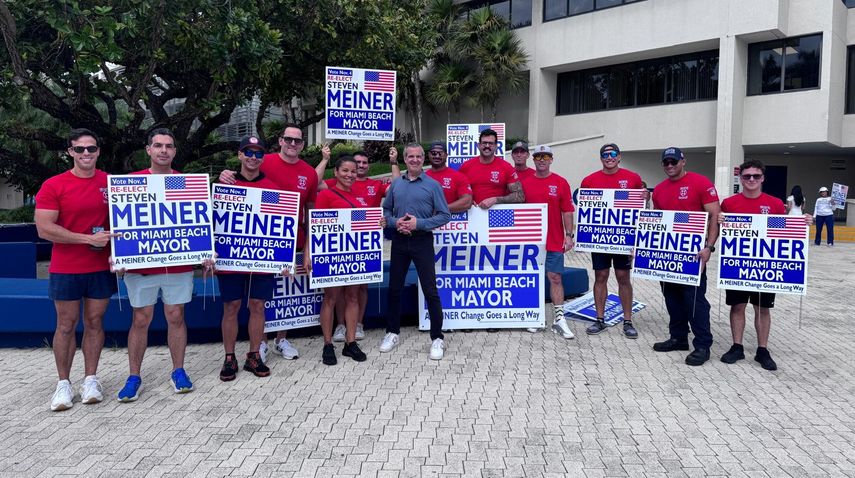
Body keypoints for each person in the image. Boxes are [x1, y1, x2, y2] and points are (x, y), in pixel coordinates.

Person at [220, 123, 319, 361]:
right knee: (248, 304)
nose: (293, 144)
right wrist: (224, 174)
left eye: (298, 140)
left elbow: (311, 211)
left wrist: (308, 251)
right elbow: (242, 176)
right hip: (241, 248)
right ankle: (258, 345)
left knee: (281, 298)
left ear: (303, 144)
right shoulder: (264, 162)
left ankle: (280, 339)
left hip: (286, 242)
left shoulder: (309, 173)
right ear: (280, 141)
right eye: (289, 139)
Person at [35, 128, 115, 411]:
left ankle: (91, 379)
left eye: (91, 149)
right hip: (66, 267)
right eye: (79, 149)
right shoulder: (54, 185)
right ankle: (63, 384)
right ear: (69, 152)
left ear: (98, 152)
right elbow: (44, 228)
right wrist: (86, 239)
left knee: (95, 323)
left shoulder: (111, 183)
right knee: (66, 326)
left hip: (100, 267)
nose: (85, 154)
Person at [118, 128, 200, 401]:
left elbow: (198, 225)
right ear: (148, 150)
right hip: (142, 265)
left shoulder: (187, 183)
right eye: (158, 145)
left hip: (177, 265)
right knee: (141, 319)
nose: (163, 150)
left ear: (175, 151)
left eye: (168, 146)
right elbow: (118, 225)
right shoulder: (132, 183)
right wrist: (118, 255)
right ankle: (134, 376)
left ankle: (178, 370)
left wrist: (205, 253)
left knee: (176, 316)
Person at [718, 159, 811, 371]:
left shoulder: (776, 204)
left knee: (762, 308)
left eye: (756, 176)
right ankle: (737, 347)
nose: (752, 179)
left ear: (763, 178)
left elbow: (785, 231)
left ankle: (762, 350)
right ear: (740, 179)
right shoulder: (729, 204)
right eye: (747, 176)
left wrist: (804, 222)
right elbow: (724, 231)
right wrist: (721, 221)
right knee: (737, 306)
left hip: (764, 266)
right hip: (738, 265)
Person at [317, 149, 399, 343]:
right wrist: (325, 159)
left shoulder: (375, 184)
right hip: (337, 244)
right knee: (337, 290)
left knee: (359, 287)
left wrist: (394, 162)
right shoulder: (332, 187)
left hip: (363, 243)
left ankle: (357, 325)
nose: (359, 167)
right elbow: (314, 181)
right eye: (355, 164)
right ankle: (340, 326)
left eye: (363, 163)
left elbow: (397, 187)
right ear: (338, 171)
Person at [651, 147, 721, 366]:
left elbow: (715, 217)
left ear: (683, 161)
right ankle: (678, 337)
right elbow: (657, 224)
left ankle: (702, 344)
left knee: (694, 301)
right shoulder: (659, 190)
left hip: (693, 256)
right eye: (666, 163)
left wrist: (709, 247)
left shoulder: (701, 183)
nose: (670, 166)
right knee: (671, 298)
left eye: (674, 161)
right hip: (667, 256)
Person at [380, 144, 451, 359]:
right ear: (404, 159)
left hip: (422, 241)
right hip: (400, 241)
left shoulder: (432, 185)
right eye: (410, 156)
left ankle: (437, 338)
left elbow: (444, 215)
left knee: (430, 290)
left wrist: (418, 224)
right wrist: (395, 222)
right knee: (394, 289)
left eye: (418, 156)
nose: (414, 160)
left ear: (423, 159)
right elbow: (387, 210)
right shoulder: (396, 184)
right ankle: (392, 332)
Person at [307, 156, 380, 365]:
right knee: (330, 298)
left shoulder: (358, 196)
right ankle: (328, 344)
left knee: (353, 297)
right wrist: (309, 253)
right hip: (332, 256)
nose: (349, 175)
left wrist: (378, 222)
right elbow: (316, 226)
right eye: (345, 171)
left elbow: (364, 223)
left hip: (353, 255)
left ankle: (350, 343)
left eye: (353, 171)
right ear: (336, 173)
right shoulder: (326, 195)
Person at [217, 136, 279, 381]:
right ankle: (229, 357)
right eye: (248, 152)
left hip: (262, 257)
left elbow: (280, 226)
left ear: (263, 158)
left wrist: (282, 259)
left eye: (258, 153)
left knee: (257, 306)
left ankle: (254, 355)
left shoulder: (273, 189)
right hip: (231, 257)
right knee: (231, 307)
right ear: (239, 154)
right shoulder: (224, 184)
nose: (253, 158)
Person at [579, 143, 645, 338]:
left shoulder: (632, 178)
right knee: (601, 276)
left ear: (619, 156)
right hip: (600, 238)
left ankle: (627, 321)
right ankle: (599, 319)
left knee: (623, 277)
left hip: (623, 239)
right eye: (605, 155)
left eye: (613, 154)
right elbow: (585, 211)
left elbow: (641, 207)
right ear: (601, 158)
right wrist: (584, 238)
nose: (609, 157)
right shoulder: (589, 180)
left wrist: (645, 197)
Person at [519, 145, 576, 339]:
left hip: (553, 240)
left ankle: (559, 319)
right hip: (530, 242)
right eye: (538, 156)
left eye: (546, 156)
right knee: (531, 279)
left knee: (555, 277)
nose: (542, 160)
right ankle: (535, 316)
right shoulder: (524, 182)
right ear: (533, 160)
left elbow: (567, 210)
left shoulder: (560, 182)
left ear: (551, 159)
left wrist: (569, 235)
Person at [458, 128, 524, 208]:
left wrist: (495, 200)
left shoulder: (506, 167)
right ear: (478, 145)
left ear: (496, 146)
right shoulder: (466, 166)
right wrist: (468, 201)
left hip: (497, 216)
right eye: (484, 143)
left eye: (491, 143)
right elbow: (455, 192)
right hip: (472, 214)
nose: (487, 146)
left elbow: (520, 196)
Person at [424, 141, 473, 213]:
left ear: (446, 155)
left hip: (452, 222)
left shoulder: (458, 177)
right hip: (427, 222)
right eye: (433, 153)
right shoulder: (422, 177)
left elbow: (467, 202)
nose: (437, 156)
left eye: (440, 153)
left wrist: (440, 209)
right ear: (428, 155)